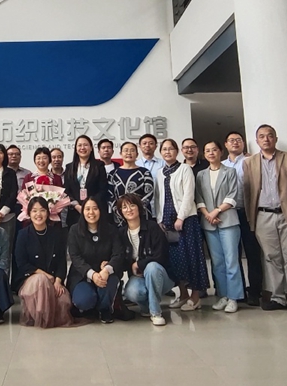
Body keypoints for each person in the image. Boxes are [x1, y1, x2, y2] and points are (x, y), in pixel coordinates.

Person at [243, 124, 287, 314]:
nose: (266, 139)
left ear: (276, 138)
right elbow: (248, 193)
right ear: (257, 140)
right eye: (262, 136)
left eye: (270, 135)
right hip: (262, 215)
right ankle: (278, 297)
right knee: (271, 258)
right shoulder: (249, 163)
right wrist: (250, 218)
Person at [155, 139, 209, 311]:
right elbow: (158, 198)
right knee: (175, 261)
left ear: (177, 151)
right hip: (167, 222)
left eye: (170, 149)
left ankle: (195, 297)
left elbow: (188, 195)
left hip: (186, 221)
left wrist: (181, 218)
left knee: (192, 258)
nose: (167, 152)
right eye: (164, 149)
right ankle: (183, 294)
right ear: (160, 152)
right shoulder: (160, 173)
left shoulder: (185, 169)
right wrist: (160, 220)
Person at [196, 141, 244, 313]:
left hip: (228, 221)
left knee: (231, 261)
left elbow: (233, 195)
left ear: (221, 152)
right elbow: (199, 197)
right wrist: (208, 214)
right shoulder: (201, 174)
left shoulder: (230, 172)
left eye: (214, 150)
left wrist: (216, 211)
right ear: (204, 154)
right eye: (207, 151)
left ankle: (234, 297)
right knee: (217, 263)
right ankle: (223, 295)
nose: (211, 153)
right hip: (209, 223)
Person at [13, 197, 73, 328]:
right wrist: (44, 275)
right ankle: (41, 318)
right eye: (34, 211)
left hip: (53, 280)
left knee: (63, 300)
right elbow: (21, 263)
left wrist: (58, 281)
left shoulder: (57, 234)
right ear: (29, 213)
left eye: (42, 210)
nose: (38, 214)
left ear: (48, 212)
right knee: (41, 281)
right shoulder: (23, 235)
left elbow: (61, 261)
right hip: (30, 279)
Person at [117, 194, 173, 326]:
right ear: (120, 212)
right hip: (139, 278)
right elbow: (120, 259)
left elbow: (161, 256)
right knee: (131, 292)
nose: (129, 210)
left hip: (161, 276)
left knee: (152, 267)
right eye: (124, 207)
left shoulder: (152, 227)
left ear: (139, 207)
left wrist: (139, 264)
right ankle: (145, 307)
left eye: (132, 205)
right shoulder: (121, 233)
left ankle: (155, 312)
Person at [66, 196, 123, 323]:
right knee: (84, 300)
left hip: (105, 275)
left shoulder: (111, 230)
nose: (91, 212)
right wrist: (92, 274)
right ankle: (91, 306)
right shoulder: (74, 230)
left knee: (110, 281)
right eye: (87, 209)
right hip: (82, 276)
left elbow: (118, 254)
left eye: (95, 208)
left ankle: (105, 309)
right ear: (83, 211)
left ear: (101, 210)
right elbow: (75, 257)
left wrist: (106, 270)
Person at [223, 131, 263, 306]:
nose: (235, 143)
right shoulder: (222, 165)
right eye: (231, 140)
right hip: (229, 213)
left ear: (243, 143)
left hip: (248, 212)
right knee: (233, 254)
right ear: (226, 144)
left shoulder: (251, 161)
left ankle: (255, 291)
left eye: (238, 140)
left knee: (253, 253)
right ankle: (238, 292)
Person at [64, 135, 108, 226]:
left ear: (91, 148)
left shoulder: (99, 166)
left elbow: (103, 189)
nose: (82, 148)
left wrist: (89, 206)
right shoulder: (69, 167)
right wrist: (76, 206)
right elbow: (67, 191)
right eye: (79, 145)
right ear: (76, 149)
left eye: (85, 145)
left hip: (94, 211)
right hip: (75, 213)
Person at [108, 141, 154, 226]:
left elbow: (149, 193)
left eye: (132, 150)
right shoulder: (113, 174)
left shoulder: (145, 172)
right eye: (126, 150)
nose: (129, 153)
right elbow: (110, 195)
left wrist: (136, 209)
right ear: (121, 154)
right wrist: (120, 210)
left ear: (137, 154)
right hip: (119, 216)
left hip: (142, 214)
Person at [135, 134, 165, 218]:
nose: (147, 145)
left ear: (156, 146)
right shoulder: (135, 165)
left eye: (151, 143)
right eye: (144, 143)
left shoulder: (163, 163)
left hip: (160, 206)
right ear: (139, 146)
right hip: (141, 208)